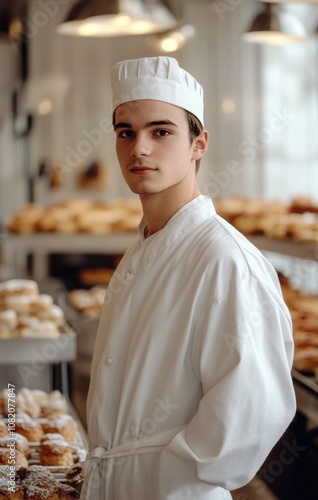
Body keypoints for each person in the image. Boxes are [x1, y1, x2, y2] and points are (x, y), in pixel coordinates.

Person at [81, 56, 296, 500]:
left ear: (199, 144)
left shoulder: (225, 260)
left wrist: (172, 477)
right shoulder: (144, 249)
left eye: (161, 131)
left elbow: (252, 410)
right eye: (126, 132)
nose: (139, 148)